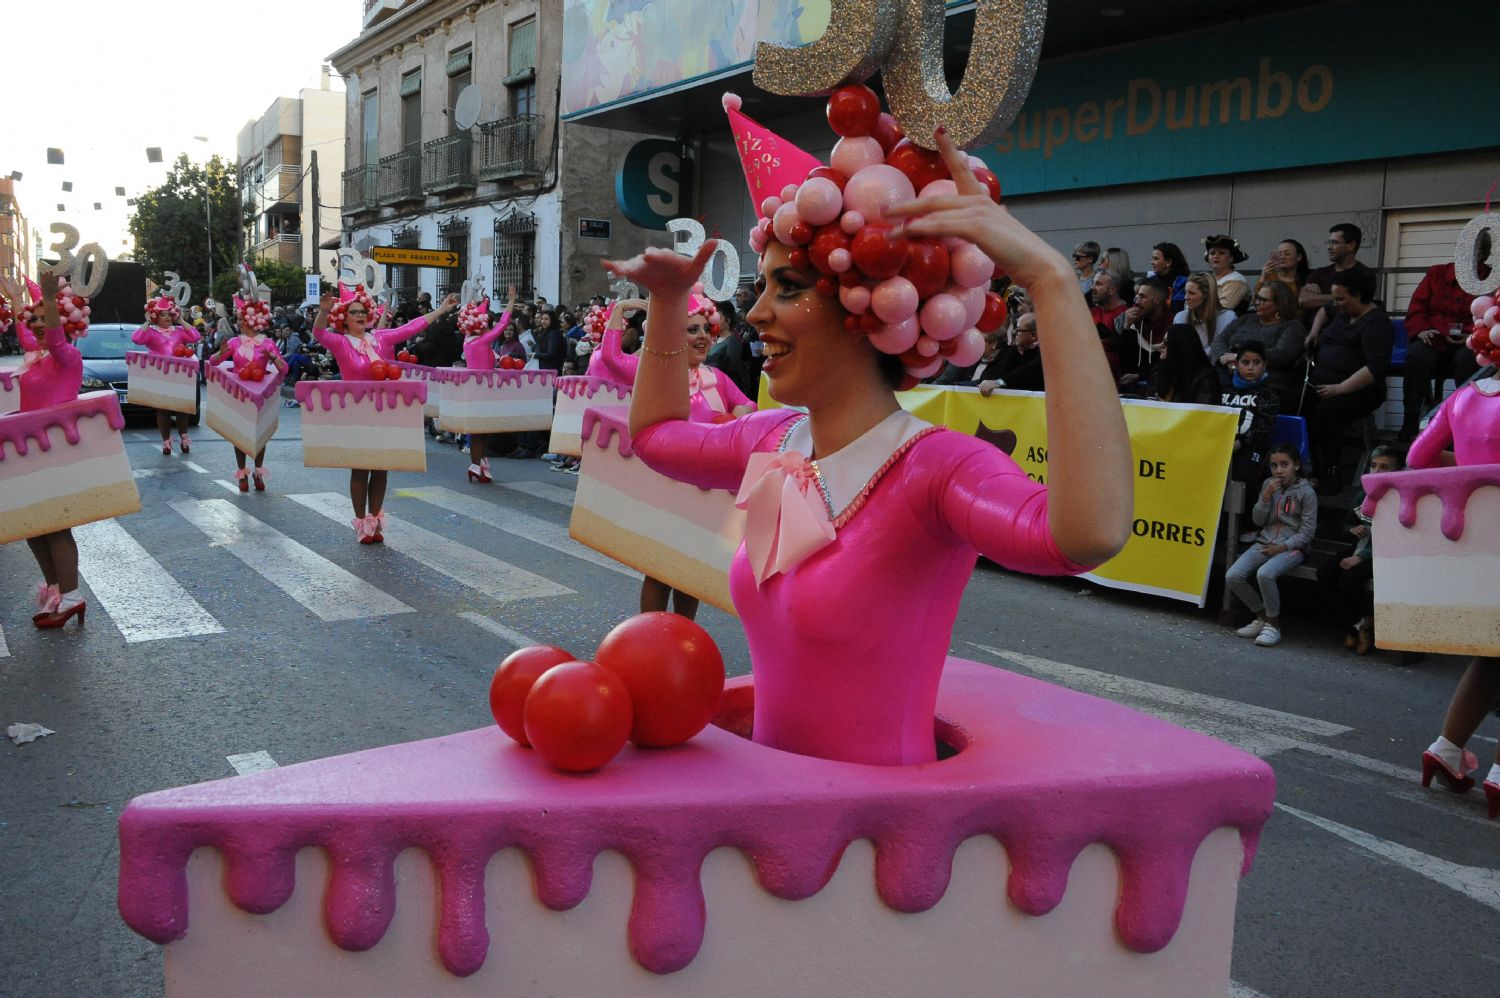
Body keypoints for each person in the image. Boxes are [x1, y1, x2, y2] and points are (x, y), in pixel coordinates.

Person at [609, 122, 1132, 766]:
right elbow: (657, 437)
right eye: (765, 286)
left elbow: (1085, 536)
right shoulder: (774, 439)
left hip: (877, 842)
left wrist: (1050, 281)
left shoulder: (938, 469)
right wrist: (666, 300)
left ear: (870, 308)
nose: (756, 313)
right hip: (770, 817)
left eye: (789, 288)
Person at [312, 286, 460, 542]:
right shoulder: (340, 341)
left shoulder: (380, 337)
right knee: (360, 469)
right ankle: (361, 522)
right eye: (353, 312)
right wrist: (323, 312)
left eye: (362, 311)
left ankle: (376, 519)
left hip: (385, 412)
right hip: (356, 413)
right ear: (344, 319)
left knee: (381, 467)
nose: (359, 315)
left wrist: (442, 309)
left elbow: (411, 328)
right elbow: (318, 333)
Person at [17, 274, 91, 628]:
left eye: (46, 319)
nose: (39, 326)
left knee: (56, 525)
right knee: (33, 525)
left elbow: (56, 338)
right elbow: (26, 334)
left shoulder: (68, 357)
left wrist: (47, 296)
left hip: (57, 448)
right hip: (28, 448)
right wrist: (20, 300)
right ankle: (56, 591)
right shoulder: (37, 356)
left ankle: (72, 597)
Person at [1303, 268, 1394, 493]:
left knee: (1327, 411)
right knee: (1296, 402)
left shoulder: (1377, 324)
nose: (1336, 303)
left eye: (1341, 298)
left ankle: (1332, 473)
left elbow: (1375, 368)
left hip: (1361, 391)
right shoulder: (1340, 309)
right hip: (1324, 382)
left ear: (1359, 295)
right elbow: (1325, 310)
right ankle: (1306, 467)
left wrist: (1340, 388)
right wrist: (1315, 331)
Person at [1226, 443, 1317, 648]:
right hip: (1266, 540)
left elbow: (1308, 532)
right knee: (1233, 575)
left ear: (1296, 466)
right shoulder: (1269, 484)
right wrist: (1265, 498)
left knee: (1265, 574)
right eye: (1274, 466)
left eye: (1284, 464)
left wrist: (1282, 547)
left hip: (1294, 547)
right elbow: (1257, 521)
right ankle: (1262, 617)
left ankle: (1274, 626)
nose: (1279, 470)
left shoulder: (1306, 492)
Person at [1318, 445, 1402, 655]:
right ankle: (1358, 622)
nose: (1376, 471)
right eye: (1373, 466)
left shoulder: (1398, 500)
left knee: (1348, 579)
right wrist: (1352, 529)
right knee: (1325, 572)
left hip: (1384, 555)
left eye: (1384, 467)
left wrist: (1360, 558)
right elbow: (1346, 525)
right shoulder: (1362, 496)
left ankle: (1356, 626)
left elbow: (1394, 538)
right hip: (1360, 547)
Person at [1398, 248, 1486, 440]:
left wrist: (1472, 334)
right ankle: (1411, 417)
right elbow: (1417, 307)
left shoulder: (1490, 278)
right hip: (1434, 338)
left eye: (1478, 250)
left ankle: (1463, 421)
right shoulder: (1436, 273)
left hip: (1467, 342)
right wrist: (1422, 330)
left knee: (1469, 359)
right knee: (1417, 355)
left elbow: (1491, 313)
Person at [206, 297, 288, 491]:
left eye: (244, 319)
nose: (241, 322)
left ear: (254, 321)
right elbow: (213, 362)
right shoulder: (234, 342)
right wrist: (220, 352)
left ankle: (258, 471)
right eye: (240, 319)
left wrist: (273, 358)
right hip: (240, 394)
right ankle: (242, 471)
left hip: (261, 394)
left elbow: (283, 369)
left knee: (260, 434)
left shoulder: (267, 343)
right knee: (239, 434)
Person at [457, 284, 518, 483]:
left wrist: (484, 302)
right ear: (481, 325)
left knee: (480, 429)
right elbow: (503, 324)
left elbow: (479, 315)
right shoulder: (482, 341)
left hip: (475, 386)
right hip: (484, 387)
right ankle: (476, 465)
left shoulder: (468, 339)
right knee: (481, 429)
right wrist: (510, 301)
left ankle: (479, 464)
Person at [1209, 280, 1305, 404]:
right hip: (1229, 370)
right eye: (1257, 298)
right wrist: (1223, 357)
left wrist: (1239, 359)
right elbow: (1219, 340)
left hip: (1267, 379)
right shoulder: (1246, 319)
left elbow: (1282, 354)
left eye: (1263, 300)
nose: (1257, 303)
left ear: (1280, 304)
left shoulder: (1292, 327)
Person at [132, 296, 202, 454]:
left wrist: (182, 321)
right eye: (163, 315)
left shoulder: (178, 332)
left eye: (170, 314)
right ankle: (166, 441)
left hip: (180, 375)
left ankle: (184, 437)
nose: (168, 318)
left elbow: (196, 337)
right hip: (160, 375)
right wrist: (148, 323)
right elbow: (135, 339)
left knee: (182, 408)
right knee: (163, 409)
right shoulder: (151, 333)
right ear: (155, 316)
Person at [1220, 341, 1281, 489]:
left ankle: (1244, 512)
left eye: (1256, 362)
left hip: (1252, 447)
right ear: (1237, 364)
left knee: (1242, 476)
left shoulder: (1269, 393)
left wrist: (1239, 443)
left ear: (1265, 365)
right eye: (1245, 362)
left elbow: (1263, 428)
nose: (1251, 367)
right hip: (1222, 444)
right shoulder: (1224, 391)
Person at [1302, 223, 1376, 337]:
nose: (1329, 247)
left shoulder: (1364, 275)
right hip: (1313, 334)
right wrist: (1340, 298)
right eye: (1328, 242)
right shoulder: (1320, 273)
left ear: (1351, 245)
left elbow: (1357, 305)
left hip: (1345, 337)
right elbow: (1303, 300)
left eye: (1334, 243)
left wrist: (1318, 297)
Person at [1113, 277, 1172, 392]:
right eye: (1137, 295)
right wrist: (1126, 327)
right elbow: (1125, 360)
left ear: (1157, 300)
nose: (1136, 301)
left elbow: (1167, 367)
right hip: (1132, 386)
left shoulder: (1173, 324)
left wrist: (1140, 376)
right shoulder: (1136, 322)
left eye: (1142, 296)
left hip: (1160, 388)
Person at [1150, 324, 1220, 404]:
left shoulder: (1204, 377)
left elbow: (1204, 412)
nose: (1161, 345)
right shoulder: (1159, 370)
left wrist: (1168, 409)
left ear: (1180, 345)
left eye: (1166, 341)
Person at [977, 312, 1043, 394]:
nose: (1014, 332)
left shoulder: (1044, 353)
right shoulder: (1014, 351)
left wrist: (999, 382)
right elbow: (992, 376)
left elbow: (1029, 371)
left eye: (1019, 330)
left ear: (1033, 335)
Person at [1173, 272, 1235, 354]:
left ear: (1206, 294)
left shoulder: (1228, 317)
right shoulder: (1181, 317)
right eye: (1185, 292)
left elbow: (1223, 349)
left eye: (1191, 293)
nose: (1186, 297)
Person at [1203, 234, 1250, 313]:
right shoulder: (1204, 278)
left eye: (1222, 253)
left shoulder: (1236, 279)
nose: (1216, 256)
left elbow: (1224, 308)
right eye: (1212, 253)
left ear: (1231, 258)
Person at [1254, 239, 1310, 304]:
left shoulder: (1308, 279)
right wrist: (1262, 277)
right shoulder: (1269, 276)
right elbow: (1256, 303)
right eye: (1279, 254)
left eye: (1287, 254)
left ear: (1299, 257)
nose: (1282, 257)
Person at [1148, 241, 1191, 308]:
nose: (1151, 262)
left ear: (1168, 262)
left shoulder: (1182, 282)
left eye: (1156, 258)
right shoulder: (1150, 280)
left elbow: (1177, 307)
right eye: (1152, 258)